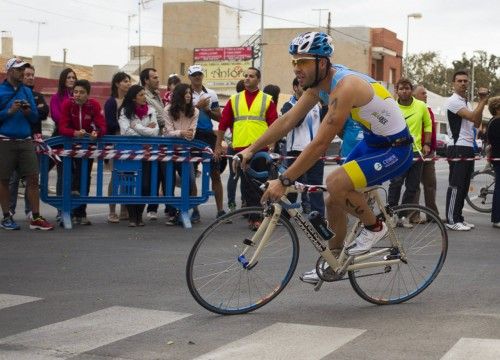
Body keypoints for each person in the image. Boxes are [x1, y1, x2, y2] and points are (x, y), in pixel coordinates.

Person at [236, 32, 413, 284]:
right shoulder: (319, 85)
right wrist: (251, 149)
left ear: (322, 62)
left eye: (304, 61)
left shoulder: (345, 87)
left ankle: (375, 226)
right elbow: (288, 120)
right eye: (294, 62)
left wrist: (285, 180)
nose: (297, 68)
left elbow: (320, 143)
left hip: (396, 148)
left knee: (336, 183)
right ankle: (335, 262)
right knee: (332, 200)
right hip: (374, 143)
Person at [217, 66, 278, 230]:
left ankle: (259, 215)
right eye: (246, 76)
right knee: (246, 184)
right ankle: (254, 217)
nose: (247, 78)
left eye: (251, 76)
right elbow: (223, 124)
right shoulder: (234, 99)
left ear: (258, 79)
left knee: (259, 183)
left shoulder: (267, 99)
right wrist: (218, 146)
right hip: (241, 149)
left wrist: (272, 145)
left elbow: (274, 124)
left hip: (260, 149)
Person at [0, 57, 54, 231]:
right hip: (5, 141)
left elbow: (34, 117)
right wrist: (9, 111)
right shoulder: (0, 90)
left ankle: (35, 217)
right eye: (18, 69)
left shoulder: (27, 91)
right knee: (4, 180)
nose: (22, 72)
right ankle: (7, 217)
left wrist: (27, 111)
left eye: (23, 69)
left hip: (26, 140)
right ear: (9, 71)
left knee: (33, 178)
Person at [445, 70, 489, 231]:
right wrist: (483, 101)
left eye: (465, 81)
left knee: (464, 185)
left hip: (468, 146)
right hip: (458, 146)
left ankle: (459, 218)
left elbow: (476, 122)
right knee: (456, 185)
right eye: (459, 81)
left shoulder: (467, 102)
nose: (463, 83)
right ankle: (451, 219)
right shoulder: (453, 101)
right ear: (453, 84)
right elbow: (472, 117)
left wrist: (480, 103)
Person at [59, 79, 107, 225]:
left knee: (85, 177)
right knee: (68, 177)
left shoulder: (94, 105)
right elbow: (62, 127)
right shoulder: (68, 104)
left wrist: (96, 133)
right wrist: (74, 133)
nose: (77, 95)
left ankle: (82, 213)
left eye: (81, 92)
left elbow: (102, 126)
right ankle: (67, 212)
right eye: (75, 92)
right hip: (68, 147)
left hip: (86, 148)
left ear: (88, 94)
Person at [387, 78, 432, 226]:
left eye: (407, 88)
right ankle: (391, 215)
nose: (404, 91)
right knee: (396, 183)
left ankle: (403, 217)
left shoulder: (421, 106)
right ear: (396, 91)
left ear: (411, 90)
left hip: (416, 152)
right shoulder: (391, 107)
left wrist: (426, 144)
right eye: (401, 89)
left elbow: (428, 125)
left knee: (412, 187)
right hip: (397, 152)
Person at [9, 64, 49, 220]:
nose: (30, 77)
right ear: (20, 75)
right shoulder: (13, 93)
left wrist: (29, 110)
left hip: (33, 142)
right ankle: (10, 211)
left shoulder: (38, 95)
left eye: (33, 74)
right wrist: (30, 110)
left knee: (32, 178)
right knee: (13, 178)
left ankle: (31, 211)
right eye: (27, 74)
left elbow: (44, 112)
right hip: (15, 141)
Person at [281, 77, 325, 216]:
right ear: (295, 88)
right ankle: (286, 214)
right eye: (302, 87)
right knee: (293, 184)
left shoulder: (316, 106)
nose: (306, 90)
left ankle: (318, 215)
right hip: (295, 151)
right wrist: (305, 105)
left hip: (315, 152)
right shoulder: (288, 106)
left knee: (315, 186)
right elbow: (296, 122)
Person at [188, 64, 225, 222]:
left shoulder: (211, 93)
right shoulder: (185, 93)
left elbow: (220, 118)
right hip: (191, 135)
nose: (197, 77)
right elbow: (183, 115)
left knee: (215, 172)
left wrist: (209, 110)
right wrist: (198, 107)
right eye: (195, 74)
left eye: (200, 74)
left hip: (208, 135)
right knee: (191, 174)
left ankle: (221, 211)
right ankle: (195, 210)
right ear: (189, 77)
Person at [118, 85, 159, 227]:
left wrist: (136, 126)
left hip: (147, 153)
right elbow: (126, 131)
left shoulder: (151, 110)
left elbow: (155, 132)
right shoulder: (124, 111)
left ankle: (139, 215)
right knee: (129, 184)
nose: (144, 97)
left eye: (144, 94)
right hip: (129, 152)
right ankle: (132, 217)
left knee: (146, 185)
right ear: (134, 97)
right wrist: (145, 130)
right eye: (141, 94)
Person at [163, 83, 199, 225]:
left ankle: (184, 210)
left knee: (190, 180)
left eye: (190, 93)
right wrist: (181, 133)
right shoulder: (168, 110)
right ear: (178, 96)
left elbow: (192, 133)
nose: (189, 95)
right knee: (169, 182)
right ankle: (172, 213)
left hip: (185, 152)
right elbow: (168, 132)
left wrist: (183, 134)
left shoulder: (195, 111)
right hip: (168, 151)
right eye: (185, 93)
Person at [50, 68, 77, 222]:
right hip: (59, 139)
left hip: (76, 140)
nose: (71, 80)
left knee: (73, 174)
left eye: (73, 77)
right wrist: (72, 125)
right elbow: (56, 116)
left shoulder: (79, 96)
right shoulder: (56, 97)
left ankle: (72, 208)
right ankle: (61, 209)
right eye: (68, 77)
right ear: (62, 79)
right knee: (61, 173)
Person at [104, 71, 131, 223]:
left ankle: (124, 209)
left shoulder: (130, 101)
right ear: (117, 84)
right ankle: (112, 210)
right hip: (115, 142)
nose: (128, 83)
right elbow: (110, 123)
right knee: (115, 176)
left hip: (128, 143)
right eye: (125, 81)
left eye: (128, 81)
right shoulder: (111, 102)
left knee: (128, 174)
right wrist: (127, 126)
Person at [140, 68, 165, 221]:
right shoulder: (145, 96)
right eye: (154, 77)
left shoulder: (157, 95)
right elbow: (159, 118)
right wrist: (168, 121)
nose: (157, 79)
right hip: (149, 142)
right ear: (146, 80)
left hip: (161, 140)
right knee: (149, 177)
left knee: (161, 173)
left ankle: (157, 206)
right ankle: (145, 208)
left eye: (157, 76)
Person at [412, 84, 439, 217]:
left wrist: (432, 148)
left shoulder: (428, 110)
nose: (426, 95)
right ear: (414, 95)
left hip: (429, 152)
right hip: (417, 151)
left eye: (426, 93)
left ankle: (433, 215)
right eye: (423, 93)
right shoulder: (413, 110)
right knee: (414, 185)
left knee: (431, 184)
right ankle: (413, 215)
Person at [486, 96, 500, 228]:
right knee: (499, 189)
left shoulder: (492, 121)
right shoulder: (496, 122)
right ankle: (496, 218)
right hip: (498, 158)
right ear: (497, 108)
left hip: (496, 158)